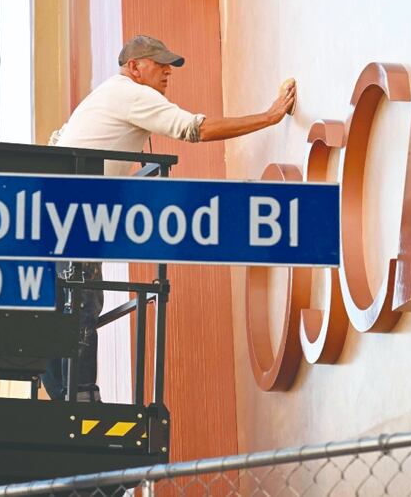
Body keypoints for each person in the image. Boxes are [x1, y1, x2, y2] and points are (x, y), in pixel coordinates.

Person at [41, 35, 296, 402]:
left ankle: (64, 393)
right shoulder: (132, 94)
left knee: (65, 303)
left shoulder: (107, 95)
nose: (166, 72)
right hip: (73, 212)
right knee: (82, 302)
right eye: (158, 64)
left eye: (169, 66)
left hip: (58, 209)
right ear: (134, 67)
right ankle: (79, 399)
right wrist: (269, 117)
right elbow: (196, 129)